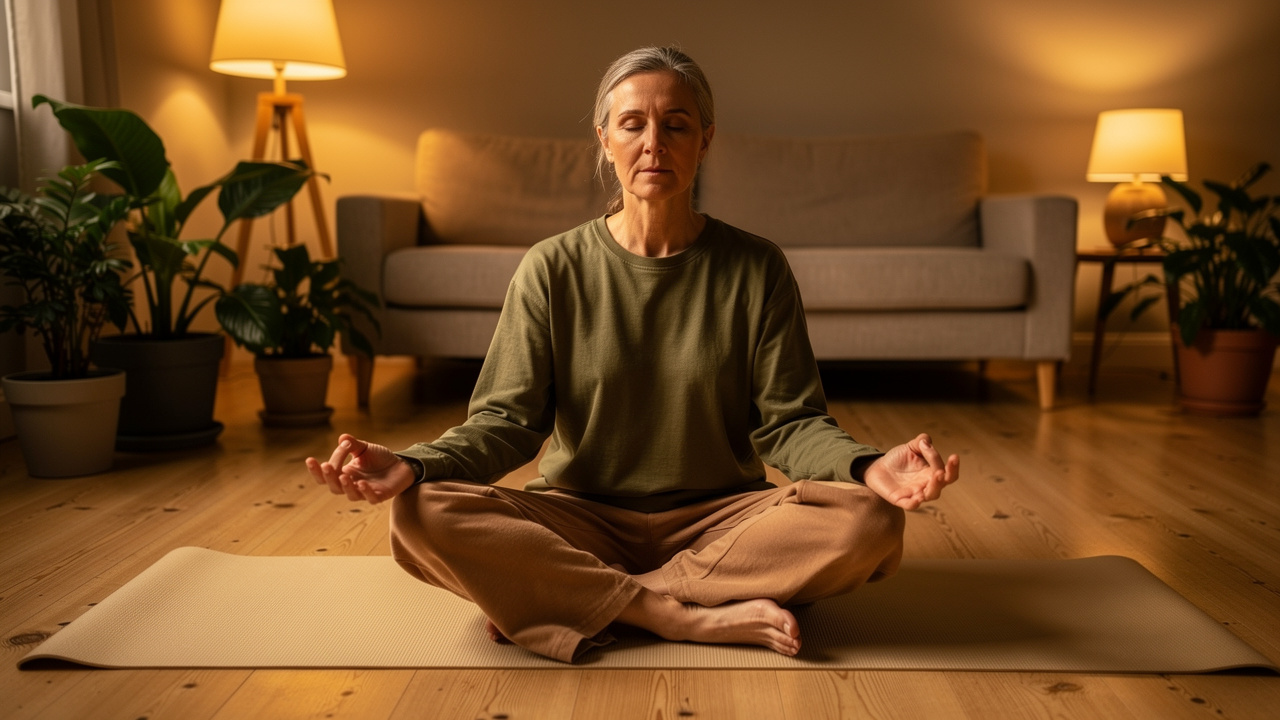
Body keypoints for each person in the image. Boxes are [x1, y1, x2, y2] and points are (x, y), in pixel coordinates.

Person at [306, 46, 959, 663]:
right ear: (604, 139)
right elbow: (504, 423)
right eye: (632, 124)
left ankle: (579, 596)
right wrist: (413, 463)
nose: (654, 143)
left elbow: (790, 423)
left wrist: (868, 465)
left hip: (721, 520)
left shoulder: (757, 267)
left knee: (870, 520)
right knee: (418, 510)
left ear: (705, 140)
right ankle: (678, 614)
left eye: (676, 125)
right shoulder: (551, 267)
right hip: (579, 517)